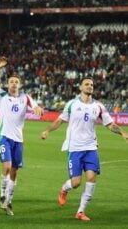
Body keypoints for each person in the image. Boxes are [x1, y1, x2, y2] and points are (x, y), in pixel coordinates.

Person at [41, 76, 128, 221]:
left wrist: (123, 133)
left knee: (92, 178)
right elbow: (59, 120)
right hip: (75, 148)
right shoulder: (72, 104)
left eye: (91, 84)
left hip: (91, 148)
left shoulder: (99, 106)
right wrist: (47, 131)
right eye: (86, 84)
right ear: (80, 88)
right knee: (76, 183)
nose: (90, 86)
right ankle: (64, 189)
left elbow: (110, 124)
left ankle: (80, 212)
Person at [0, 56, 43, 216]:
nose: (13, 84)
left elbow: (35, 106)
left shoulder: (25, 98)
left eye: (16, 82)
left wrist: (37, 109)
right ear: (8, 84)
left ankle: (9, 201)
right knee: (6, 166)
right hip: (3, 136)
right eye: (11, 81)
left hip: (18, 140)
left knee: (14, 172)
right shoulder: (2, 96)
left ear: (19, 85)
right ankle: (2, 194)